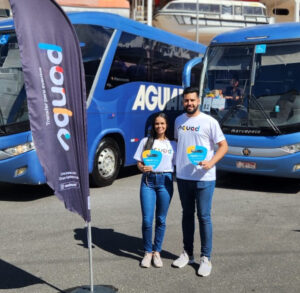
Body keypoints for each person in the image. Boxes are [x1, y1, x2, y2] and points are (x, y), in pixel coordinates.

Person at [172, 87, 228, 277]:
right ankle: (187, 253)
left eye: (192, 100)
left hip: (205, 178)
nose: (189, 104)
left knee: (204, 217)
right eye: (186, 101)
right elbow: (178, 144)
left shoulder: (209, 122)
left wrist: (211, 162)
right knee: (187, 215)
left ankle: (206, 257)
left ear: (199, 101)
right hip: (183, 177)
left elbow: (223, 146)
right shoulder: (179, 121)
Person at [134, 112, 176, 268]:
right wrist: (142, 167)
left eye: (162, 124)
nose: (160, 126)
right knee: (147, 220)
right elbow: (138, 161)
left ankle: (157, 251)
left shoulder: (172, 144)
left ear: (167, 125)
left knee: (161, 219)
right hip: (148, 181)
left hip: (166, 181)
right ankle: (147, 251)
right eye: (157, 124)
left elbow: (180, 162)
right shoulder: (146, 141)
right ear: (153, 125)